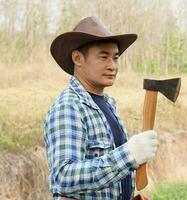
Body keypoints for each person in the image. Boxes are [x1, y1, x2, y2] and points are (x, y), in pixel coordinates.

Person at [44, 16, 158, 200]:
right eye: (104, 57)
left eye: (115, 58)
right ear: (78, 58)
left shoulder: (108, 105)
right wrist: (130, 154)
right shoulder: (69, 107)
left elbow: (110, 177)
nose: (112, 66)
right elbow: (64, 177)